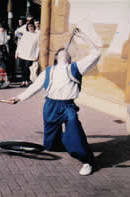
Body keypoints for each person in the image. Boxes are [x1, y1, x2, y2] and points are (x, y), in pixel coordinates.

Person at [9, 28, 101, 176]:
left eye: (66, 52)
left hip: (67, 106)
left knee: (74, 129)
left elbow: (96, 53)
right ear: (57, 57)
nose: (63, 51)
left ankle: (87, 160)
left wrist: (84, 36)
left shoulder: (75, 68)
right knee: (50, 145)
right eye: (60, 52)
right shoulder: (48, 71)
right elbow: (35, 87)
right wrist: (19, 97)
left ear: (69, 58)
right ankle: (66, 143)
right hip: (50, 105)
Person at [15, 20, 39, 87]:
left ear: (34, 26)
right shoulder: (25, 34)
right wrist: (17, 52)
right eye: (29, 27)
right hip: (22, 53)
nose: (30, 28)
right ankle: (23, 81)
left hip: (31, 54)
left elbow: (38, 46)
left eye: (31, 26)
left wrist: (36, 55)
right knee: (22, 68)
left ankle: (27, 81)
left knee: (27, 68)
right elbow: (20, 43)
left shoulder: (38, 34)